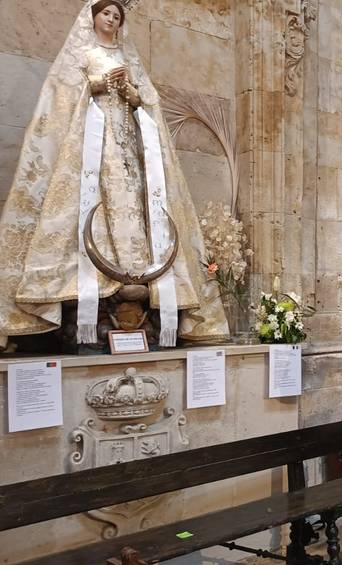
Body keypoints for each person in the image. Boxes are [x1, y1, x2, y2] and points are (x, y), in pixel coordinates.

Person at [0, 0, 228, 348]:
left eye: (117, 15)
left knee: (132, 207)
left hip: (124, 146)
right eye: (106, 13)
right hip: (91, 144)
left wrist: (129, 91)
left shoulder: (127, 56)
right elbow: (63, 96)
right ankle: (87, 297)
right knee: (91, 205)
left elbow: (144, 99)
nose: (111, 19)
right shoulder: (82, 52)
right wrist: (96, 83)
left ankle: (134, 278)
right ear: (93, 17)